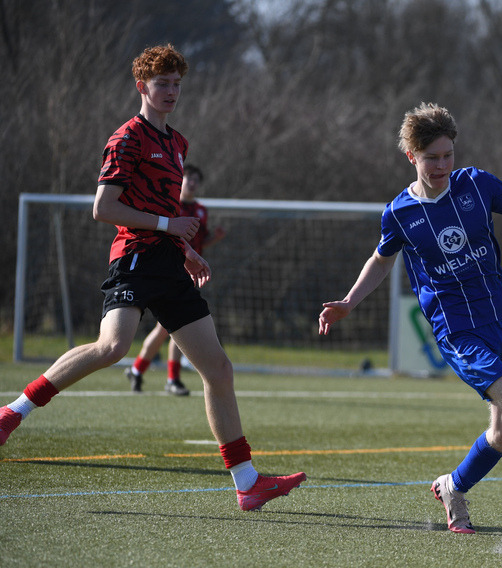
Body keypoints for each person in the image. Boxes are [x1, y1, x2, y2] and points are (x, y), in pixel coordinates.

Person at [0, 44, 305, 511]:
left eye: (177, 83)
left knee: (218, 370)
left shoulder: (178, 142)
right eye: (162, 83)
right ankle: (13, 412)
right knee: (112, 347)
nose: (171, 91)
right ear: (142, 86)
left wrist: (185, 250)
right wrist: (170, 227)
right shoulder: (127, 137)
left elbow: (163, 209)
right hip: (135, 259)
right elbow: (104, 208)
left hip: (169, 263)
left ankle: (247, 483)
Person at [319, 102, 502, 534]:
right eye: (431, 157)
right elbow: (381, 260)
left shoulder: (478, 184)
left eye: (447, 155)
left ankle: (452, 486)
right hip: (457, 331)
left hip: (499, 320)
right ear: (411, 157)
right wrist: (349, 301)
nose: (441, 166)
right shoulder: (400, 213)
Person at [126, 164, 226, 396]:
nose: (192, 183)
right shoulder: (169, 206)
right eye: (188, 178)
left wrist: (215, 238)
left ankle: (139, 370)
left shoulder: (200, 210)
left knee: (169, 328)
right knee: (178, 325)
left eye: (196, 180)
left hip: (189, 273)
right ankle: (168, 377)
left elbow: (199, 242)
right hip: (169, 269)